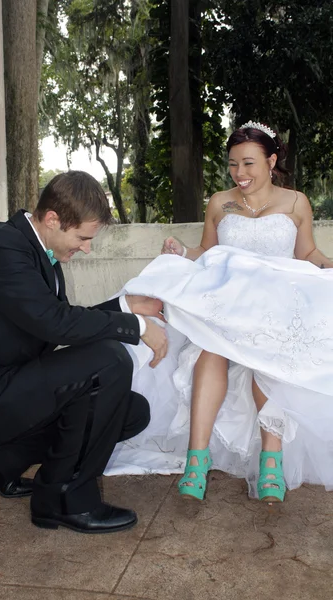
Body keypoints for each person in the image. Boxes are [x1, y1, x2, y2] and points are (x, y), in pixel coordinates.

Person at [106, 121, 333, 504]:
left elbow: (307, 254)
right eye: (232, 164)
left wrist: (328, 265)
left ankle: (271, 460)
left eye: (248, 163)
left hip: (274, 299)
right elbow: (207, 252)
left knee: (272, 350)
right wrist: (182, 251)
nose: (239, 174)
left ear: (272, 160)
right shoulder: (218, 202)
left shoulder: (296, 203)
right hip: (227, 296)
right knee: (211, 349)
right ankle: (197, 459)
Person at [0, 170, 168, 534]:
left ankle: (3, 457)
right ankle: (64, 498)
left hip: (9, 383)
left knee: (130, 413)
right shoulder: (3, 246)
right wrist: (137, 328)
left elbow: (55, 320)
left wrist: (125, 306)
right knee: (109, 360)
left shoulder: (35, 248)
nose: (87, 247)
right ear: (53, 219)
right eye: (82, 237)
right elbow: (56, 324)